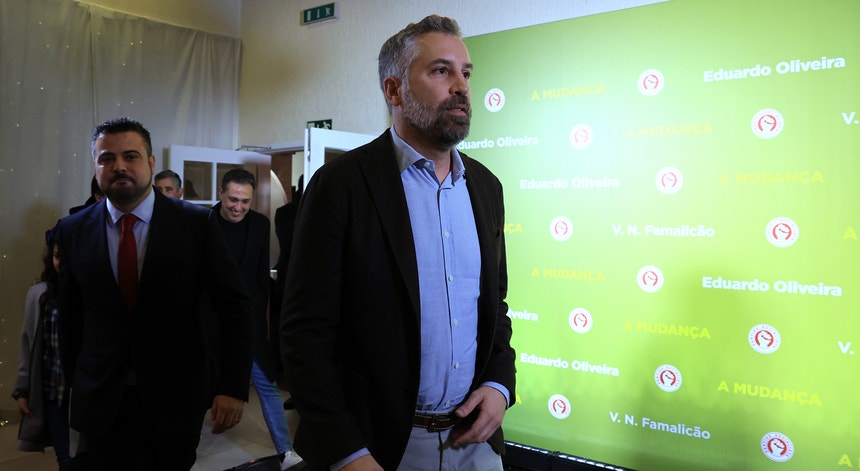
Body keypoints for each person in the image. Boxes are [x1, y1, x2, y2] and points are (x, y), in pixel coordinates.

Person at [280, 15, 516, 470]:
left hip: (476, 443)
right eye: (441, 71)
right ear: (394, 91)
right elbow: (304, 334)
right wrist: (348, 453)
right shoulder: (341, 185)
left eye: (466, 73)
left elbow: (495, 307)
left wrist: (499, 385)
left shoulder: (487, 187)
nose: (461, 87)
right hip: (380, 448)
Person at [55, 117, 253, 471]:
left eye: (130, 156)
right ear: (95, 166)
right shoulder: (72, 230)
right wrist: (76, 387)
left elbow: (234, 307)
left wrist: (232, 386)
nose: (118, 166)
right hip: (102, 399)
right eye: (106, 158)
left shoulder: (196, 224)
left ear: (150, 162)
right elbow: (71, 319)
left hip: (176, 396)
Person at [212, 168, 302, 469]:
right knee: (200, 386)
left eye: (245, 201)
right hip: (212, 324)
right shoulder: (204, 224)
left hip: (248, 322)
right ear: (221, 193)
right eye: (233, 199)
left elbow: (260, 280)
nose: (238, 207)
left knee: (267, 384)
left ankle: (286, 453)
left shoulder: (261, 224)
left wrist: (260, 325)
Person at [13, 229, 71, 471]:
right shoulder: (39, 294)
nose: (61, 262)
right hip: (52, 393)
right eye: (57, 256)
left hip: (82, 393)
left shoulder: (89, 290)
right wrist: (22, 390)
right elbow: (28, 345)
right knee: (66, 459)